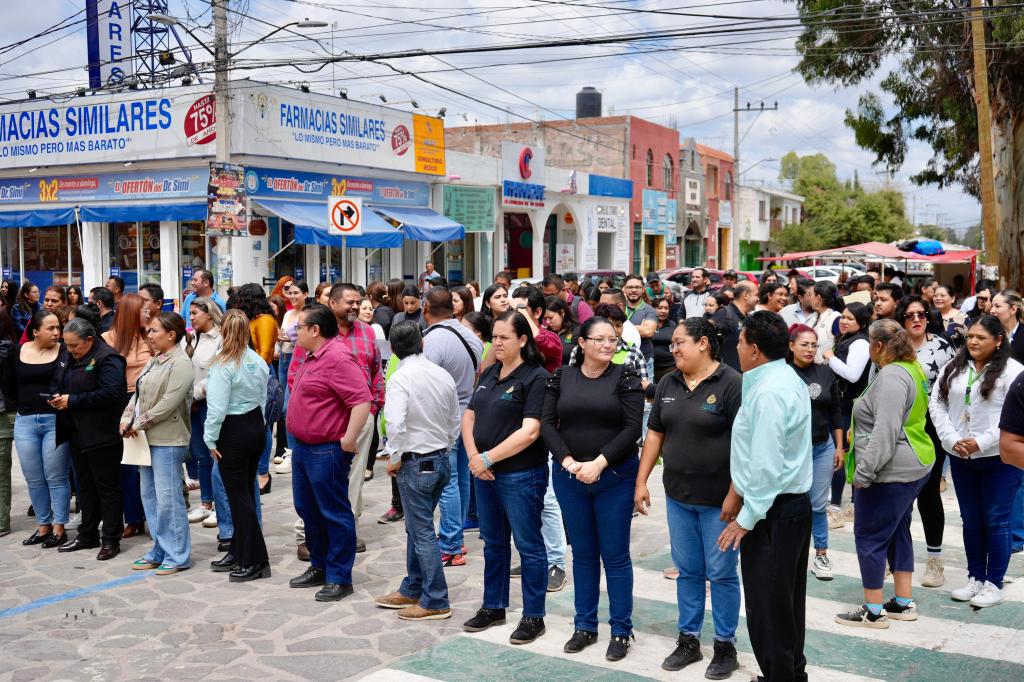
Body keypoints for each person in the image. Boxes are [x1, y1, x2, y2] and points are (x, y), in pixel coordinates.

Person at [635, 318, 742, 678]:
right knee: (689, 572)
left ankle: (725, 646)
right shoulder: (668, 382)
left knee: (722, 573)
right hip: (679, 497)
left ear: (704, 344)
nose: (673, 349)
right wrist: (642, 481)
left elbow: (745, 446)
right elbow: (655, 435)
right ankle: (689, 640)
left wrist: (734, 494)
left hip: (720, 503)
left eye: (680, 342)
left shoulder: (731, 384)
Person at [542, 315, 644, 662]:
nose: (607, 344)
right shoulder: (562, 376)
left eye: (612, 339)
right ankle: (584, 625)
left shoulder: (625, 375)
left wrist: (599, 463)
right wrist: (569, 462)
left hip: (613, 477)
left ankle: (620, 629)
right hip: (570, 476)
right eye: (599, 339)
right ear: (582, 343)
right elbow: (546, 423)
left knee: (615, 555)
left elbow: (632, 427)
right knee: (583, 555)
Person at [716, 312, 812, 679]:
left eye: (740, 342)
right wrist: (737, 494)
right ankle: (789, 673)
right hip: (784, 507)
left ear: (754, 350)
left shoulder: (770, 391)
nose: (736, 348)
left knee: (770, 608)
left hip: (775, 510)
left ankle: (781, 675)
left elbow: (767, 464)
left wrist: (746, 517)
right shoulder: (781, 379)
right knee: (785, 604)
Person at [834, 319, 934, 628]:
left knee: (869, 536)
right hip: (915, 463)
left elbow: (886, 431)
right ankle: (902, 602)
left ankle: (873, 610)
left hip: (891, 470)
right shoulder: (912, 368)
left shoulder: (891, 376)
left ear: (878, 346)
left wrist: (863, 473)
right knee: (897, 530)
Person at [460, 311, 550, 645]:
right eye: (494, 337)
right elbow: (468, 417)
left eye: (504, 337)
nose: (496, 343)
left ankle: (533, 615)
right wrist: (474, 458)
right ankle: (493, 605)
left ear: (523, 340)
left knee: (528, 545)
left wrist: (488, 457)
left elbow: (530, 432)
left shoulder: (536, 377)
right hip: (485, 474)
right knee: (494, 543)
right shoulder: (490, 372)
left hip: (521, 474)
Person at [928, 315, 1022, 608]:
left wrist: (980, 441)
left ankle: (994, 582)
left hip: (998, 458)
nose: (973, 342)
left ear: (998, 341)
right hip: (961, 456)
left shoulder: (1013, 370)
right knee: (970, 519)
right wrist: (950, 438)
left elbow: (1015, 419)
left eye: (981, 337)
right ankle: (975, 578)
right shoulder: (954, 367)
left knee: (996, 519)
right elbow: (937, 402)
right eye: (970, 337)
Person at [374, 321, 461, 620]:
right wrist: (447, 446)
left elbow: (395, 423)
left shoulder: (401, 377)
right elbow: (454, 419)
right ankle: (412, 587)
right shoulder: (442, 374)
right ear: (422, 344)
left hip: (417, 461)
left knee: (421, 530)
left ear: (395, 350)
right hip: (440, 459)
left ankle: (436, 598)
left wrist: (394, 456)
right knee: (417, 526)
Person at [286, 304, 372, 602]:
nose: (294, 332)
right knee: (308, 509)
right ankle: (320, 565)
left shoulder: (337, 356)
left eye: (299, 327)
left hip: (327, 449)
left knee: (334, 513)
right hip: (304, 447)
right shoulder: (313, 355)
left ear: (315, 330)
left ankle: (339, 576)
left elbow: (361, 400)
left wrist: (349, 438)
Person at [120, 313, 195, 576]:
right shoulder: (153, 361)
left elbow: (169, 403)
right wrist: (127, 418)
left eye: (153, 331)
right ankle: (159, 549)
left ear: (171, 335)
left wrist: (137, 424)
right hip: (145, 439)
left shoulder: (181, 363)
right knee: (149, 497)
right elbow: (137, 394)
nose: (149, 336)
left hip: (169, 439)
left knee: (169, 499)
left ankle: (177, 554)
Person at [890, 294, 957, 586]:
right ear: (902, 319)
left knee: (928, 493)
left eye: (921, 314)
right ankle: (893, 559)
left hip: (932, 425)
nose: (916, 319)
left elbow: (954, 389)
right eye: (910, 315)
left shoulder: (943, 347)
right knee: (896, 494)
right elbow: (875, 381)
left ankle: (934, 561)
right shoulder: (893, 347)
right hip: (898, 423)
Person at [50, 318, 127, 560]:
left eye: (75, 346)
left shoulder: (108, 358)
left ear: (90, 340)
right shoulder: (68, 356)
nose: (70, 350)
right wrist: (55, 395)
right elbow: (57, 378)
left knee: (107, 487)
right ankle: (87, 534)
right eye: (67, 345)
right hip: (75, 432)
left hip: (101, 433)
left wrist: (72, 400)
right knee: (85, 486)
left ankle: (111, 538)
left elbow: (112, 393)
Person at [204, 310, 271, 582]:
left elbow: (217, 408)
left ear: (223, 331)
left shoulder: (223, 364)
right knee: (244, 490)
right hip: (255, 426)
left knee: (238, 497)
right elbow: (265, 398)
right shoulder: (257, 361)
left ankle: (255, 559)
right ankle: (239, 550)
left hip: (232, 428)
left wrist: (210, 438)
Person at [420, 288, 484, 567]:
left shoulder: (432, 340)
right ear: (453, 308)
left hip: (445, 418)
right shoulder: (472, 336)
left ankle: (450, 544)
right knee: (460, 479)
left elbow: (427, 384)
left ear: (426, 309)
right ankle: (454, 538)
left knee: (448, 481)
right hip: (468, 413)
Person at [326, 284, 385, 547]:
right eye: (349, 302)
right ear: (332, 304)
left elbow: (376, 372)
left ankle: (347, 529)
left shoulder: (368, 332)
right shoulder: (320, 331)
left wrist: (373, 407)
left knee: (355, 476)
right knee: (325, 473)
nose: (354, 307)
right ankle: (314, 531)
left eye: (357, 302)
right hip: (327, 416)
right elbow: (298, 375)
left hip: (362, 416)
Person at [3, 310, 69, 547]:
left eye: (58, 328)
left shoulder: (64, 351)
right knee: (34, 478)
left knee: (56, 476)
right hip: (25, 421)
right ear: (35, 332)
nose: (56, 332)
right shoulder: (17, 351)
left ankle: (60, 526)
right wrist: (18, 406)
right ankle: (43, 526)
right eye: (50, 328)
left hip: (54, 420)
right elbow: (8, 383)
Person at [788, 324, 844, 581]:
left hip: (822, 447)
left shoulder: (825, 373)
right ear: (791, 346)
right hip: (790, 452)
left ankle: (821, 553)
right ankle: (790, 552)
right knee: (789, 502)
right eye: (804, 344)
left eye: (814, 345)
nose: (810, 349)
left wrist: (839, 446)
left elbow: (835, 412)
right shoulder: (782, 374)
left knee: (818, 504)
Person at [102, 294, 154, 539]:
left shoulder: (151, 337)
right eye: (144, 310)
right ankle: (132, 517)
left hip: (147, 402)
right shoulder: (107, 339)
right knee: (127, 465)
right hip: (119, 403)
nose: (148, 313)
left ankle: (151, 514)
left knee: (149, 463)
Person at [823, 302, 873, 525]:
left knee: (841, 453)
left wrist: (829, 358)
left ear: (861, 322)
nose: (844, 321)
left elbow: (853, 375)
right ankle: (849, 504)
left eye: (850, 318)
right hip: (839, 403)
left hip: (850, 406)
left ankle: (837, 506)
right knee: (843, 452)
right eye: (842, 317)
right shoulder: (845, 339)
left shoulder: (861, 342)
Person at [232, 283, 277, 493]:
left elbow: (265, 354)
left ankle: (263, 473)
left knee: (264, 424)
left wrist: (250, 376)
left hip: (261, 376)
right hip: (248, 373)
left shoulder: (266, 320)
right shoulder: (252, 320)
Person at [186, 297, 223, 527]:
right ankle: (206, 502)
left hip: (208, 403)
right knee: (200, 455)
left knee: (215, 453)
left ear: (209, 313)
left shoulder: (219, 338)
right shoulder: (189, 337)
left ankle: (221, 505)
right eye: (189, 313)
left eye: (195, 313)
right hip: (191, 404)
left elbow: (216, 375)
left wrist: (195, 396)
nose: (191, 317)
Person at [510, 286, 562, 374]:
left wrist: (521, 309)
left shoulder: (552, 337)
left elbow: (538, 338)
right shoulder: (511, 336)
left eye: (522, 309)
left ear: (537, 312)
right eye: (514, 309)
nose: (516, 314)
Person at [711, 280, 756, 372]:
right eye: (756, 295)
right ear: (746, 295)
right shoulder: (724, 313)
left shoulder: (749, 318)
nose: (758, 298)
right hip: (724, 377)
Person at [623, 274, 658, 376]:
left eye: (637, 287)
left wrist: (621, 327)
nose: (633, 290)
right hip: (621, 358)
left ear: (643, 290)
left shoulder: (650, 310)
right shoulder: (619, 308)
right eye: (630, 287)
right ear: (624, 289)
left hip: (645, 359)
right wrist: (639, 327)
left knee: (645, 390)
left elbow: (648, 332)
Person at [807, 281, 842, 364]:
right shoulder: (813, 317)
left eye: (811, 295)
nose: (809, 298)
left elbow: (840, 347)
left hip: (826, 369)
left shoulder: (835, 318)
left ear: (818, 297)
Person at [990, 290, 1024, 364]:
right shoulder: (989, 331)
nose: (991, 310)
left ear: (1013, 309)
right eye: (991, 306)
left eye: (997, 306)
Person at [543, 297, 579, 367]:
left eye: (550, 318)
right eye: (545, 318)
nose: (547, 322)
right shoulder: (547, 332)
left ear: (562, 313)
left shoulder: (577, 330)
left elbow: (566, 352)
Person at [650, 297, 677, 381]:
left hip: (669, 367)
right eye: (659, 308)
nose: (663, 311)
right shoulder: (647, 325)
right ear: (652, 308)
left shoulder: (673, 325)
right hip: (650, 366)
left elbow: (675, 344)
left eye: (666, 308)